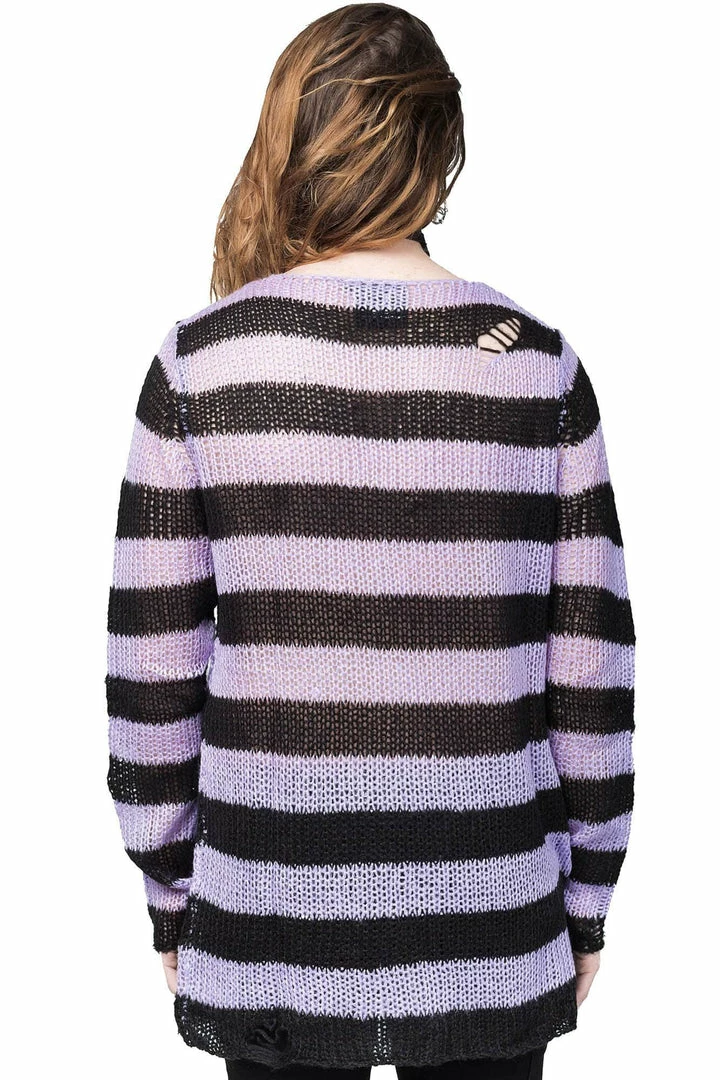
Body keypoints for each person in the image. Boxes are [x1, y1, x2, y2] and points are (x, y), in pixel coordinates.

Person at [104, 5, 635, 1079]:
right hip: (493, 917)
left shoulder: (202, 367)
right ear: (440, 154)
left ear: (291, 141)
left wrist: (173, 896)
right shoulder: (536, 370)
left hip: (266, 915)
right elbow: (590, 677)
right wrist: (585, 903)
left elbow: (152, 674)